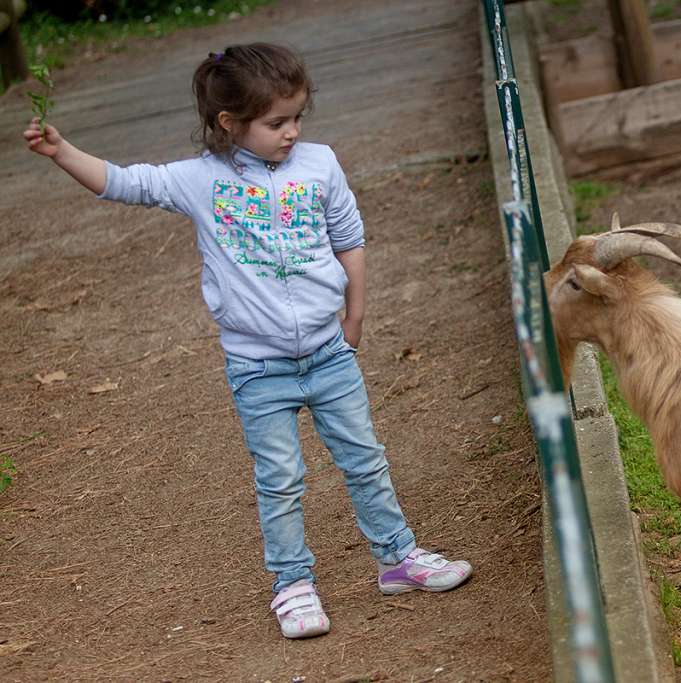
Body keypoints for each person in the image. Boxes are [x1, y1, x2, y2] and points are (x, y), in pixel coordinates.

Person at [23, 43, 472, 640]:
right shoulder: (198, 180)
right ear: (229, 124)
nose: (293, 132)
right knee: (280, 478)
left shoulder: (320, 164)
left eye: (298, 118)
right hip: (259, 368)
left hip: (329, 353)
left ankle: (398, 559)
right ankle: (293, 583)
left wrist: (355, 317)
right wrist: (62, 152)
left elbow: (350, 240)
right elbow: (124, 183)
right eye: (277, 122)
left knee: (365, 460)